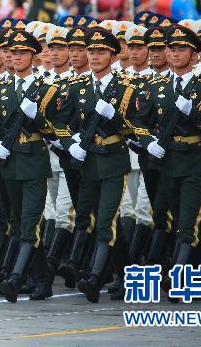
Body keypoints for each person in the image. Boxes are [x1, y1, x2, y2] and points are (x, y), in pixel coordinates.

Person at [51, 27, 135, 302]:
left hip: (113, 159)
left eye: (101, 52)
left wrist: (116, 119)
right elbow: (61, 122)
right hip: (88, 163)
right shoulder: (79, 87)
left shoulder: (124, 86)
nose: (95, 56)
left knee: (106, 220)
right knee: (95, 219)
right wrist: (71, 142)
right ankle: (127, 276)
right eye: (92, 51)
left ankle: (95, 277)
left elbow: (137, 128)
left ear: (112, 54)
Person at [132, 25, 201, 279]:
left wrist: (192, 112)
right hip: (165, 158)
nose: (175, 53)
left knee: (188, 221)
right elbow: (139, 120)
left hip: (192, 157)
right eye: (172, 49)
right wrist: (149, 142)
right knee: (166, 215)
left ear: (194, 55)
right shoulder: (156, 85)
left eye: (181, 49)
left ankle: (178, 275)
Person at [0, 29, 61, 303]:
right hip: (9, 162)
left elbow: (55, 130)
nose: (15, 58)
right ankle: (41, 279)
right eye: (12, 53)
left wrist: (36, 117)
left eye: (22, 53)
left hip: (34, 161)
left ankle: (15, 278)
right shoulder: (1, 89)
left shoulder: (45, 87)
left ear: (33, 55)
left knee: (29, 223)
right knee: (20, 223)